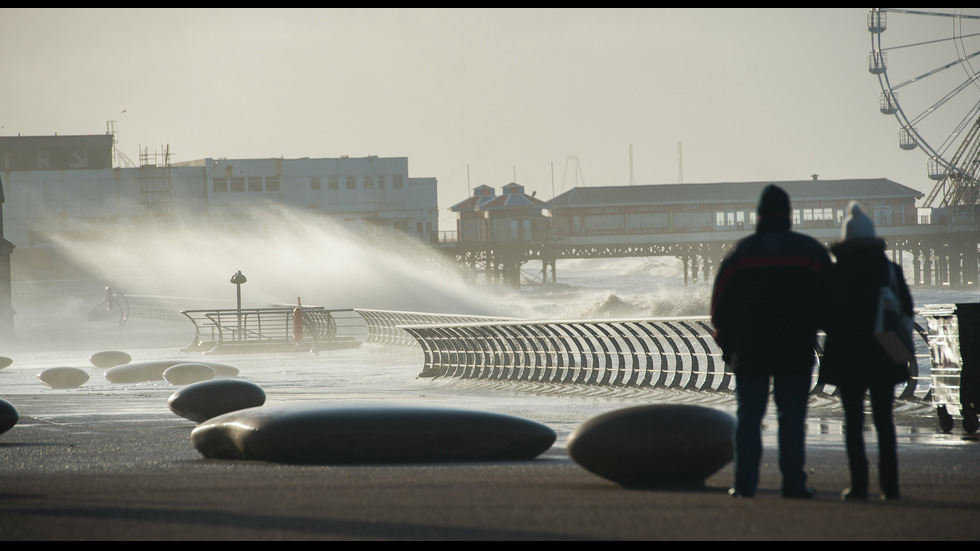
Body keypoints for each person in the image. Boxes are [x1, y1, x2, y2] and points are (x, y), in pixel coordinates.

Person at [710, 184, 832, 499]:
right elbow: (832, 303)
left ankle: (745, 485)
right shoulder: (811, 252)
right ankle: (793, 484)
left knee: (749, 419)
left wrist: (728, 346)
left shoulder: (741, 253)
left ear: (759, 215)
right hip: (796, 349)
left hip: (750, 352)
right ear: (788, 214)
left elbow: (719, 308)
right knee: (791, 420)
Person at [818, 201, 912, 501]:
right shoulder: (890, 269)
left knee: (853, 420)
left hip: (846, 355)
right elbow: (906, 310)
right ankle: (890, 486)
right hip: (885, 352)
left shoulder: (835, 272)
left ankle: (859, 485)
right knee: (885, 420)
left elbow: (822, 315)